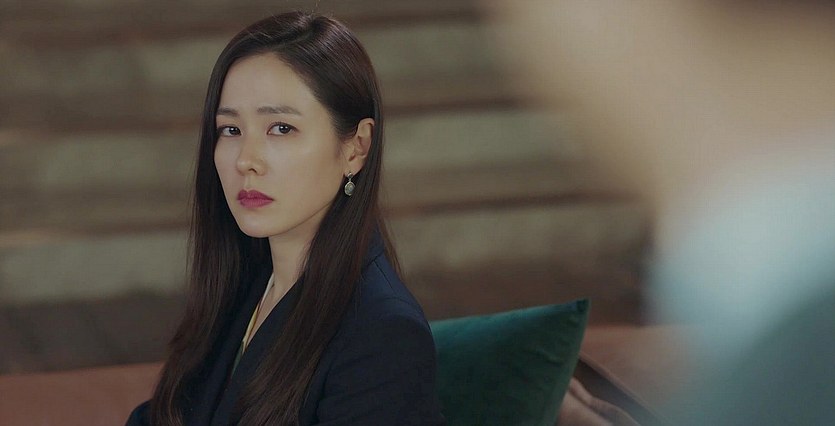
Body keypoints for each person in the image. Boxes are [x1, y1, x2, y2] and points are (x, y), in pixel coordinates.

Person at [126, 12, 445, 426]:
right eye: (230, 129)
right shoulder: (245, 278)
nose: (246, 160)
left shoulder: (382, 335)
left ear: (356, 148)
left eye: (280, 128)